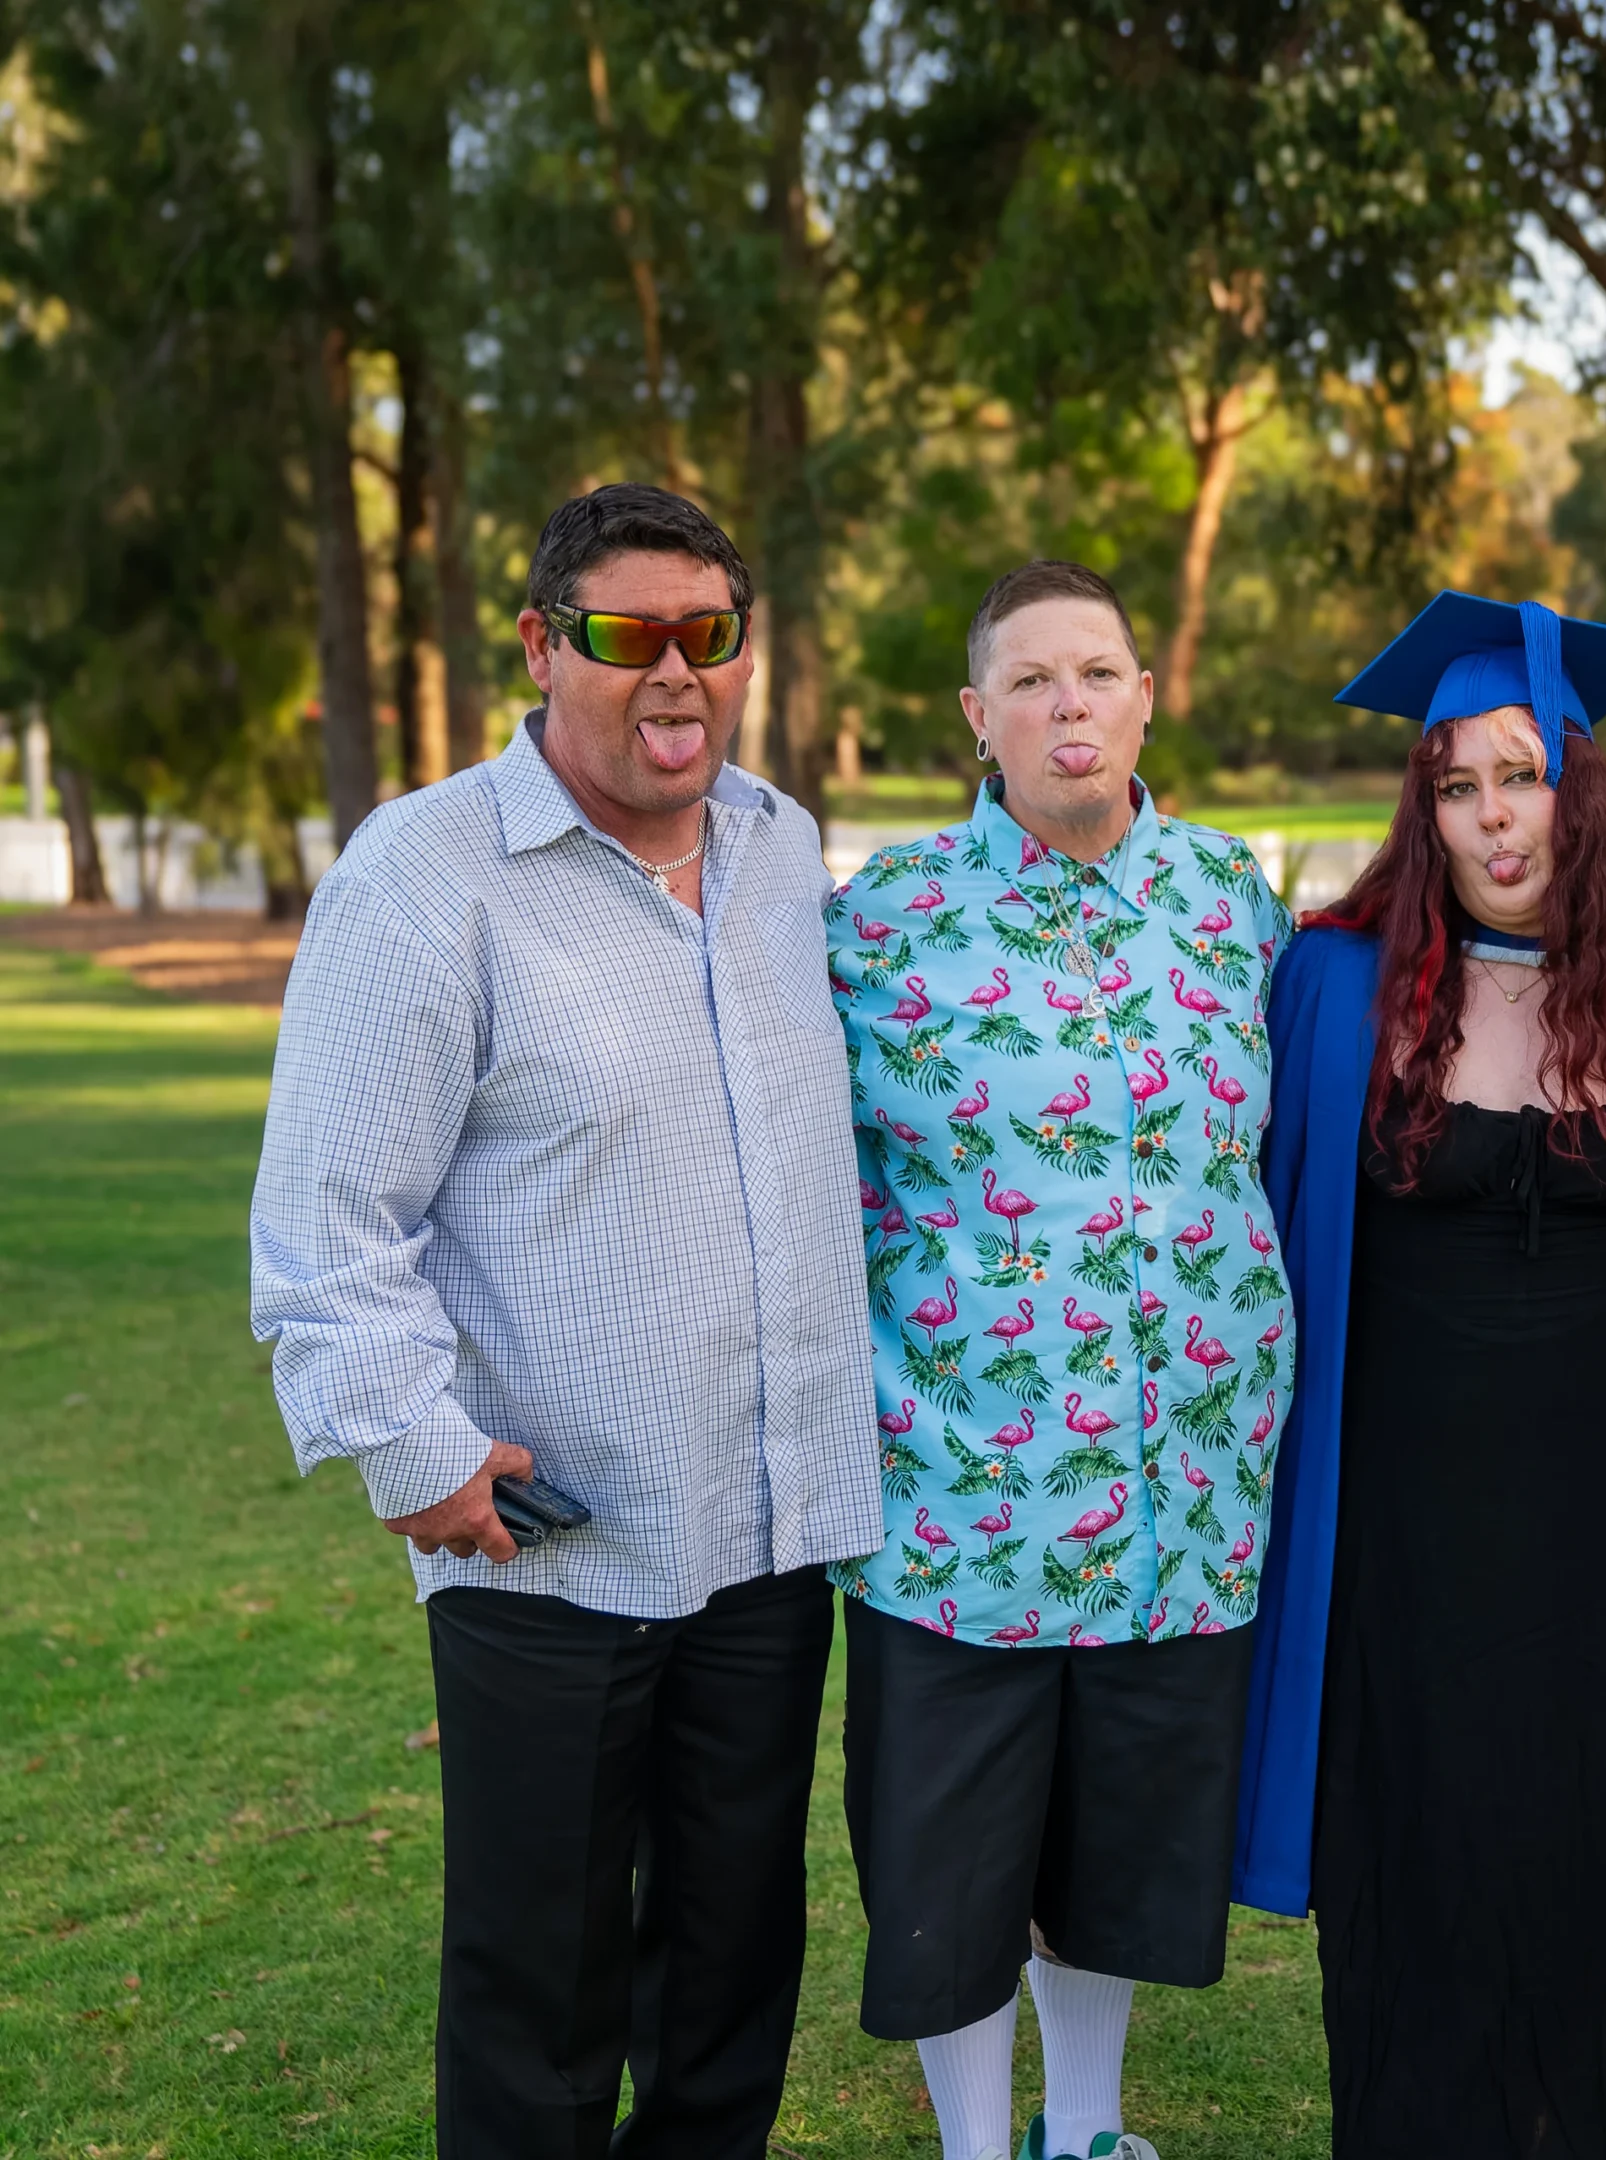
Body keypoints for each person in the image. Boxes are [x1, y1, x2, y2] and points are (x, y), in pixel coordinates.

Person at [250, 483, 881, 2159]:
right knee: (543, 1988)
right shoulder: (423, 875)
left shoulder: (782, 847)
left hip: (766, 1527)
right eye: (626, 636)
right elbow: (326, 1226)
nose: (674, 674)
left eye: (710, 635)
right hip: (550, 1547)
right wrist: (418, 1459)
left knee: (736, 1968)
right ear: (541, 649)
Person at [1234, 591, 1606, 2159]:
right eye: (1457, 783)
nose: (1492, 815)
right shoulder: (1339, 985)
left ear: (1581, 791)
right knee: (1431, 1812)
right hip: (1409, 1505)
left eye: (1522, 774)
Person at [828, 561, 1295, 2160]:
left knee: (1116, 1852)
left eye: (1094, 672)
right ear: (977, 720)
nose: (1067, 706)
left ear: (1146, 694)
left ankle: (1086, 2128)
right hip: (962, 1496)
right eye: (1028, 682)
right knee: (951, 1869)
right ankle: (976, 2144)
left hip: (1188, 1493)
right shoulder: (877, 921)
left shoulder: (1235, 898)